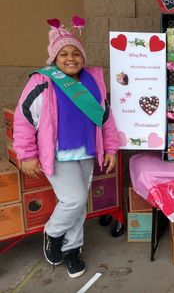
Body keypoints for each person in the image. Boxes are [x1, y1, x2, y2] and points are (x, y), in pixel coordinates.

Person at [13, 16, 119, 278]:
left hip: (87, 152)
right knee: (74, 200)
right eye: (63, 53)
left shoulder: (93, 81)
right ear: (54, 58)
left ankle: (73, 250)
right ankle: (53, 232)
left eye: (76, 53)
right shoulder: (42, 82)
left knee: (79, 204)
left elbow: (105, 118)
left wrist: (111, 149)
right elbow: (24, 119)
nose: (70, 58)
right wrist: (26, 155)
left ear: (83, 56)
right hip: (58, 155)